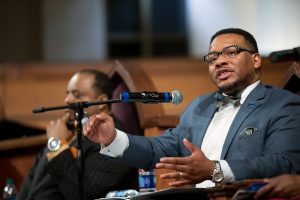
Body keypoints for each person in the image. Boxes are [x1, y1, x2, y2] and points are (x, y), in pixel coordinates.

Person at [83, 28, 300, 188]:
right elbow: (157, 150)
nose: (219, 61)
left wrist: (215, 169)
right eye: (212, 57)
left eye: (231, 52)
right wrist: (113, 139)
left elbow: (283, 163)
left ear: (255, 60)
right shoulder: (199, 106)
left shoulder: (282, 104)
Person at [17, 69, 137, 200]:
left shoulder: (114, 140)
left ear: (102, 101)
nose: (67, 99)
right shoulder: (69, 132)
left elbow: (84, 194)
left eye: (77, 95)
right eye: (67, 93)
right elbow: (31, 188)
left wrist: (57, 145)